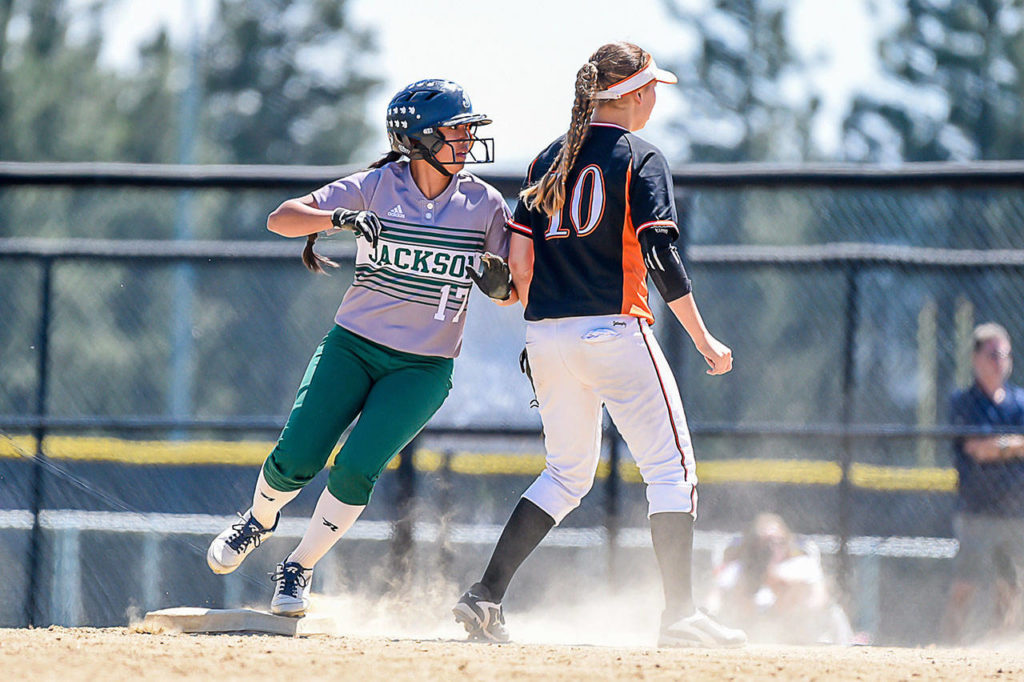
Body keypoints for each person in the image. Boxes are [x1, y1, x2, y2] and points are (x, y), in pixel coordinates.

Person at [452, 42, 746, 648]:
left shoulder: (545, 161)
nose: (656, 98)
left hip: (546, 336)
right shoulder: (642, 158)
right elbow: (661, 255)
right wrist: (703, 336)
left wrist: (519, 308)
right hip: (613, 330)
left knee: (564, 475)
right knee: (673, 472)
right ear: (633, 94)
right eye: (652, 88)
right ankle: (680, 616)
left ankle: (485, 596)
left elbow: (518, 271)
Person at [205, 79, 516, 616]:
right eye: (454, 129)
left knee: (355, 468)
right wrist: (340, 217)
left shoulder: (483, 203)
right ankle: (258, 519)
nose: (467, 138)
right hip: (353, 346)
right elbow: (281, 218)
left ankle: (298, 567)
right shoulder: (377, 185)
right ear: (417, 139)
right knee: (297, 457)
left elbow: (512, 289)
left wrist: (500, 284)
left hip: (423, 367)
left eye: (468, 128)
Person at [942, 322, 1024, 643]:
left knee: (1011, 585)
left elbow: (991, 447)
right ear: (975, 358)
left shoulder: (1019, 401)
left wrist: (999, 446)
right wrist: (1015, 444)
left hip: (1016, 510)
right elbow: (978, 448)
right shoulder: (965, 401)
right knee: (966, 583)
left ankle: (997, 646)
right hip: (977, 510)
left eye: (1004, 354)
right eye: (992, 354)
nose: (999, 360)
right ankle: (947, 648)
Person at [706, 513, 853, 645]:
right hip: (751, 626)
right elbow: (714, 600)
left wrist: (779, 583)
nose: (772, 547)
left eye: (779, 541)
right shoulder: (739, 570)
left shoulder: (802, 565)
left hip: (797, 626)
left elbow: (819, 600)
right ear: (754, 544)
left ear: (787, 541)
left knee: (830, 610)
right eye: (765, 542)